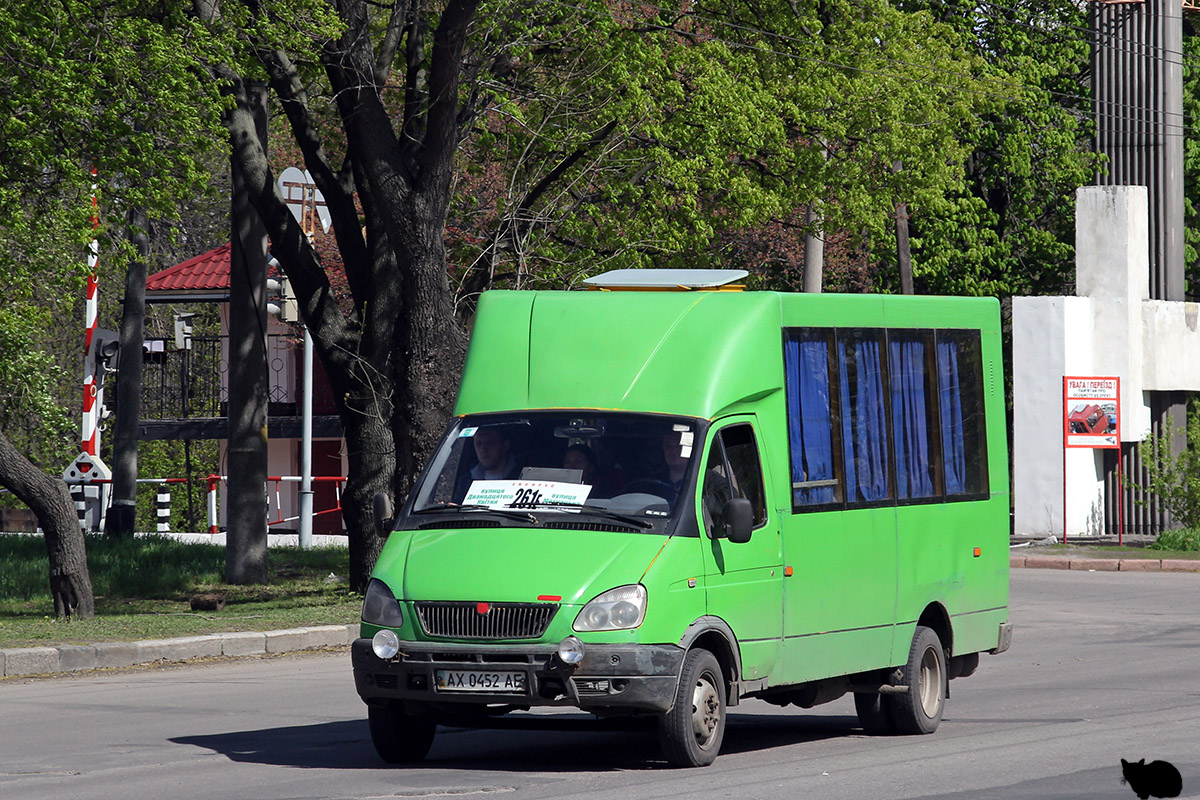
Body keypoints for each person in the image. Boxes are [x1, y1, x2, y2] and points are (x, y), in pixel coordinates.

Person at [455, 427, 521, 500]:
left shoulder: (523, 477)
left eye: (489, 443)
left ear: (505, 446)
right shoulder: (466, 482)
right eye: (478, 443)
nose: (483, 449)